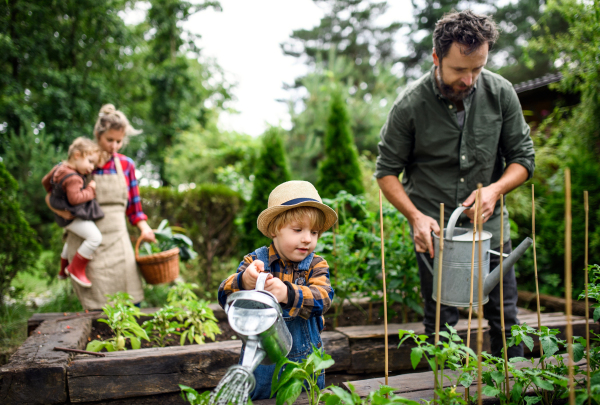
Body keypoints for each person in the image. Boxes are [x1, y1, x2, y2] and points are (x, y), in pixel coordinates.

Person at [375, 10, 535, 358]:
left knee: (506, 320)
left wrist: (494, 189)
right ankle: (442, 390)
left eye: (477, 68)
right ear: (436, 58)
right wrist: (416, 217)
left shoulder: (501, 93)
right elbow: (386, 172)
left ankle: (514, 388)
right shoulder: (410, 105)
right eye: (459, 70)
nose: (469, 79)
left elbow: (523, 159)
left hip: (489, 228)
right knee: (440, 324)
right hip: (435, 233)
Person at [217, 181, 337, 400]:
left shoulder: (316, 265)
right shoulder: (256, 261)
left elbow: (324, 298)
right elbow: (225, 297)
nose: (307, 239)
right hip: (262, 361)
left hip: (303, 365)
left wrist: (288, 294)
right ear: (274, 229)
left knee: (304, 400)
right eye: (298, 230)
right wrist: (245, 281)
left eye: (315, 232)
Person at [46, 104, 156, 309]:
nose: (114, 145)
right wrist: (59, 211)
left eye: (119, 141)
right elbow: (55, 195)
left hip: (118, 239)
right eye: (109, 140)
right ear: (98, 135)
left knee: (132, 298)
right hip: (88, 242)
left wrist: (144, 228)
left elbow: (134, 205)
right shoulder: (84, 163)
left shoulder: (126, 165)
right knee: (95, 304)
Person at [42, 137, 104, 288]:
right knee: (95, 238)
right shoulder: (74, 178)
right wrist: (91, 189)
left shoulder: (59, 168)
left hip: (62, 216)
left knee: (70, 241)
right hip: (72, 216)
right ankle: (75, 268)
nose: (91, 168)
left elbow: (45, 181)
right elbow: (76, 199)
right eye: (90, 161)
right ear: (77, 155)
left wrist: (56, 198)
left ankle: (63, 269)